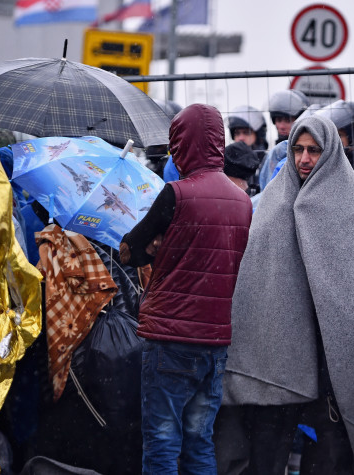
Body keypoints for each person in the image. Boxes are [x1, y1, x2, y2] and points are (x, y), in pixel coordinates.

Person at [220, 114, 354, 474]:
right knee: (266, 456)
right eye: (298, 149)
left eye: (313, 151)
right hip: (277, 357)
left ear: (330, 151)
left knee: (330, 459)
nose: (303, 159)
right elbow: (256, 279)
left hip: (331, 362)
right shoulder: (272, 202)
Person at [119, 103, 253, 474]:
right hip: (215, 341)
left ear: (181, 142)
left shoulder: (175, 194)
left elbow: (129, 253)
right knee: (199, 439)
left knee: (162, 440)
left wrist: (151, 247)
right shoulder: (243, 202)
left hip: (170, 337)